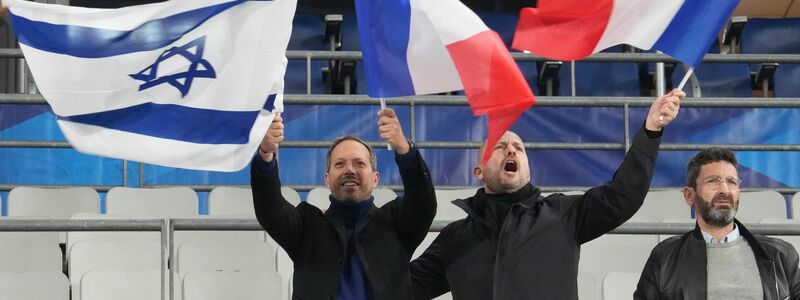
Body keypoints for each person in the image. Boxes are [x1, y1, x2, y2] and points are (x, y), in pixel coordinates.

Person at [411, 90, 685, 299]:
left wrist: (650, 132)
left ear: (528, 167)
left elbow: (623, 196)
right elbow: (402, 287)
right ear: (478, 171)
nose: (511, 150)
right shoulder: (455, 239)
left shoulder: (563, 213)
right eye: (500, 146)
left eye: (518, 147)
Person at [252, 108, 437, 300]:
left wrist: (404, 149)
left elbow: (423, 204)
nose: (349, 169)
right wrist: (266, 155)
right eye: (340, 164)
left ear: (375, 179)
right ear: (327, 178)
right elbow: (270, 210)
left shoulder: (396, 222)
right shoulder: (306, 225)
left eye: (359, 163)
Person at [634, 148, 800, 299]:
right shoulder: (664, 257)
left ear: (739, 194)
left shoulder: (779, 255)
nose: (724, 190)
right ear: (689, 195)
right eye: (713, 181)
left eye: (731, 182)